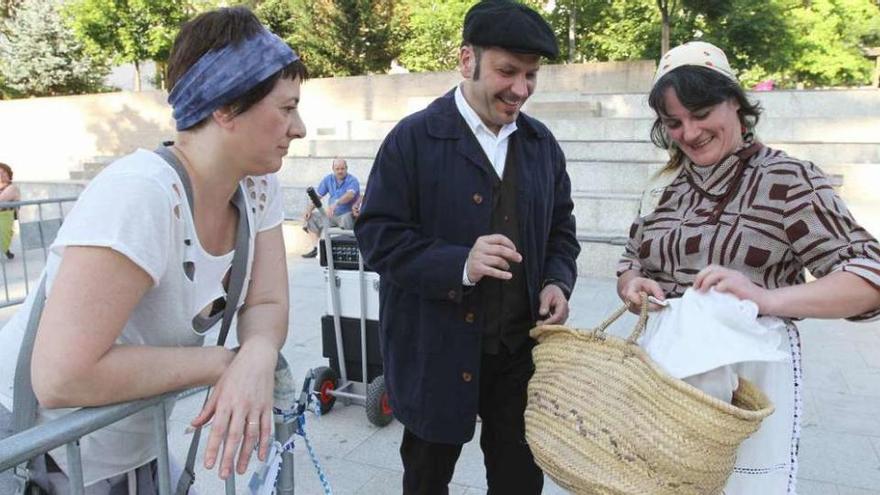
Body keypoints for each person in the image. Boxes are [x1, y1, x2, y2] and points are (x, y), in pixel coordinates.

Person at [0, 6, 307, 493]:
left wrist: (259, 352)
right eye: (287, 108)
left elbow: (267, 302)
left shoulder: (257, 188)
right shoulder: (140, 192)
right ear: (225, 107)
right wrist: (226, 363)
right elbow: (62, 376)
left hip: (125, 447)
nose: (300, 128)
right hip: (41, 450)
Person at [617, 41, 880, 494]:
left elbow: (869, 277)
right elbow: (631, 260)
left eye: (701, 114)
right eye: (673, 122)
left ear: (735, 101)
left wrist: (766, 298)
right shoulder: (666, 189)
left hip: (748, 376)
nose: (689, 132)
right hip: (664, 372)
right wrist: (632, 283)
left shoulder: (786, 178)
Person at [354, 1, 580, 493]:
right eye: (507, 71)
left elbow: (562, 229)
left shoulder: (543, 145)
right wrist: (460, 262)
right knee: (427, 478)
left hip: (518, 354)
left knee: (520, 481)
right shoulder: (411, 139)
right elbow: (377, 237)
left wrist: (557, 281)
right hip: (433, 350)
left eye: (531, 75)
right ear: (466, 61)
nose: (520, 89)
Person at [301, 157, 360, 258]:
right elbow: (318, 196)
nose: (340, 171)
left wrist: (336, 203)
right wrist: (309, 209)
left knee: (347, 218)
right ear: (333, 169)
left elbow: (350, 195)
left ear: (347, 168)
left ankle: (350, 249)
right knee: (310, 218)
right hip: (331, 216)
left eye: (342, 168)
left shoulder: (352, 180)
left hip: (346, 214)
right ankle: (316, 249)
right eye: (337, 169)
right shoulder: (328, 179)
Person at [0, 162, 21, 260]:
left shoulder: (12, 188)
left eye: (3, 171)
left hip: (6, 218)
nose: (1, 173)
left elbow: (1, 200)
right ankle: (7, 252)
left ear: (8, 173)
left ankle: (5, 250)